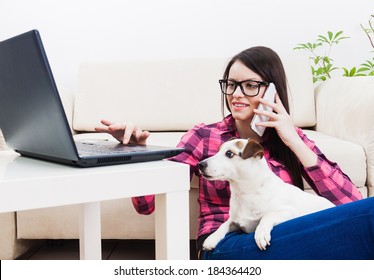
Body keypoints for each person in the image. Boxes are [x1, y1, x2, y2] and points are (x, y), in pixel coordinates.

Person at [95, 46, 374, 259]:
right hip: (227, 247)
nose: (236, 94)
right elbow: (146, 206)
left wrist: (294, 140)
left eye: (250, 85)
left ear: (272, 91)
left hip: (284, 237)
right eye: (231, 84)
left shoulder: (290, 137)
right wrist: (134, 150)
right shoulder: (205, 136)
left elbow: (348, 201)